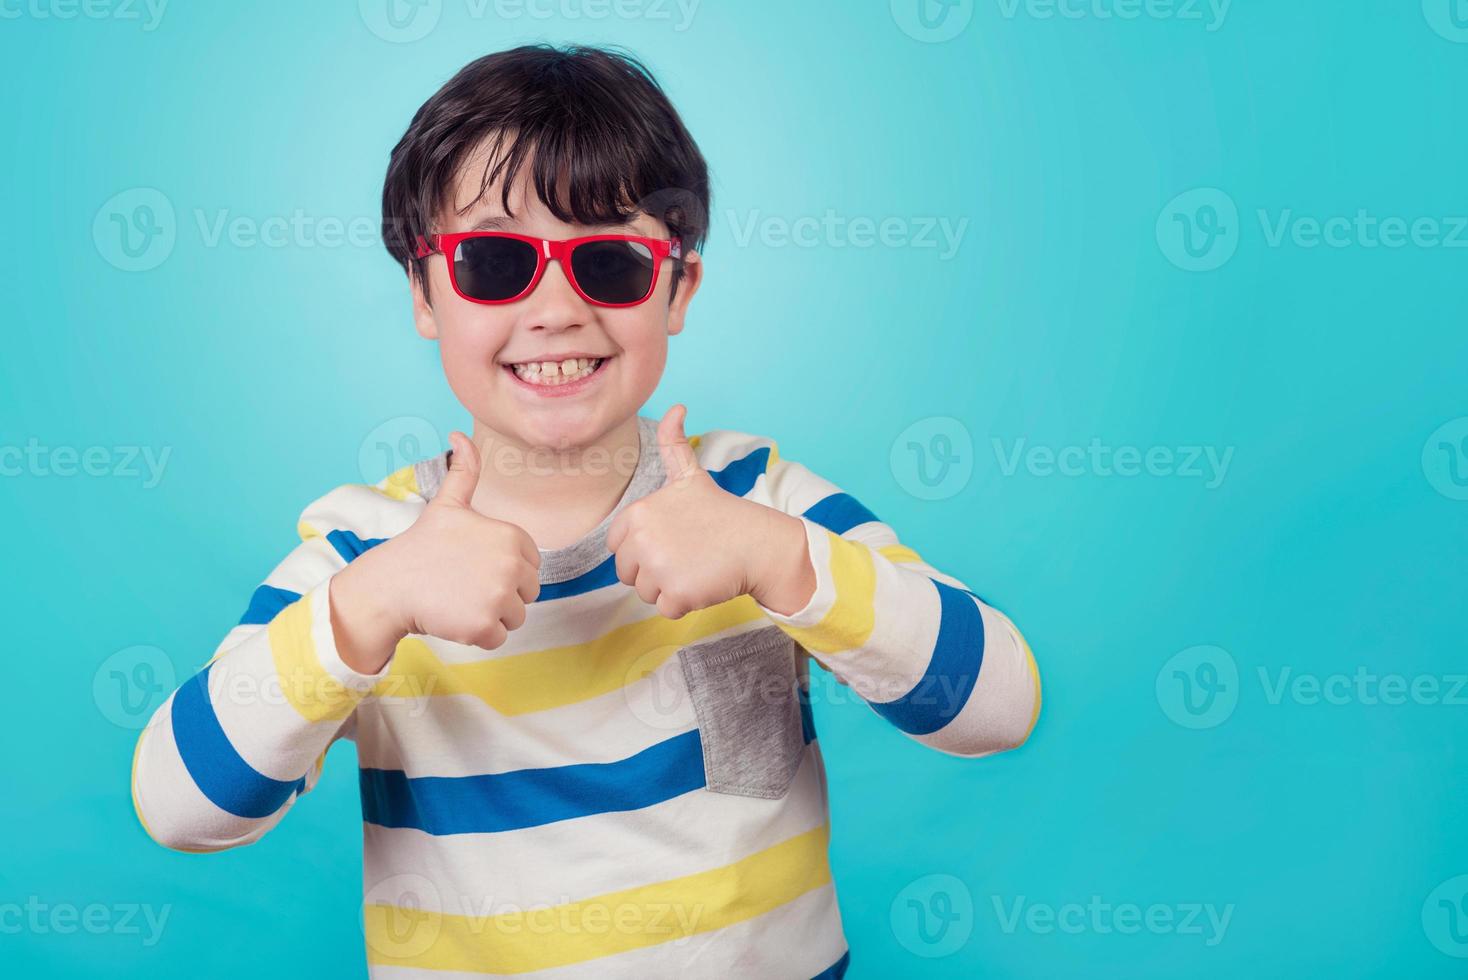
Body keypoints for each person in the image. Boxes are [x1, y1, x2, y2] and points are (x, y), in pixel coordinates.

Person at [129, 43, 1041, 979]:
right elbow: (181, 805)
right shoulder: (367, 552)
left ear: (678, 287)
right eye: (493, 260)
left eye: (608, 260)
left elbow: (996, 707)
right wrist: (368, 608)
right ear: (424, 292)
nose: (557, 309)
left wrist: (782, 561)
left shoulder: (760, 498)